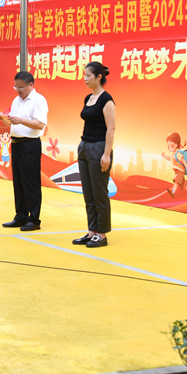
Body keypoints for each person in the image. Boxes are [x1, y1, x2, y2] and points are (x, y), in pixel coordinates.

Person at [73, 62, 116, 248]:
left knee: (99, 192)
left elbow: (111, 128)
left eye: (88, 75)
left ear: (99, 77)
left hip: (99, 148)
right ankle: (92, 231)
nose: (85, 79)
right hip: (84, 146)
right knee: (88, 192)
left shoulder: (107, 100)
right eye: (84, 75)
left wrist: (106, 154)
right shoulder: (88, 98)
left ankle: (102, 233)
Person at [0, 71, 48, 231]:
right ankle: (20, 215)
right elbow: (15, 124)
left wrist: (20, 120)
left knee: (30, 182)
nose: (18, 90)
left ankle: (34, 219)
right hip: (17, 143)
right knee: (19, 182)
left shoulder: (38, 100)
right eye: (16, 87)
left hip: (30, 144)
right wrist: (5, 119)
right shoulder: (16, 100)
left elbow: (40, 124)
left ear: (31, 85)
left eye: (21, 87)